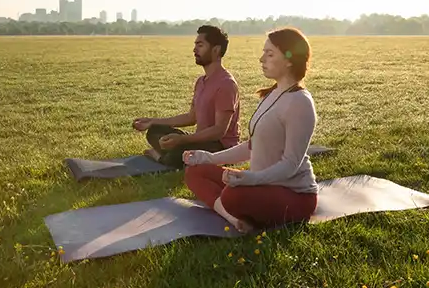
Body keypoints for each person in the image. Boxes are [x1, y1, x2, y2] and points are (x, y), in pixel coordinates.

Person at [183, 26, 318, 233]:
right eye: (263, 52)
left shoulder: (300, 103)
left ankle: (233, 210)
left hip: (294, 195)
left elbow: (291, 164)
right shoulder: (271, 94)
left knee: (233, 195)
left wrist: (251, 179)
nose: (261, 59)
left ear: (290, 59)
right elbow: (251, 146)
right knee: (195, 172)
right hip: (261, 184)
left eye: (269, 54)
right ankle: (234, 219)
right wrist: (208, 158)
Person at [132, 25, 240, 169]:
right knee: (155, 130)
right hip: (200, 141)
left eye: (200, 45)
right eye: (195, 45)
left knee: (177, 155)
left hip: (220, 148)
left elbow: (219, 131)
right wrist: (152, 121)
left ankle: (159, 156)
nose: (195, 50)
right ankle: (166, 155)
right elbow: (191, 117)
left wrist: (182, 140)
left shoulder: (226, 84)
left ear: (216, 50)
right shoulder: (201, 82)